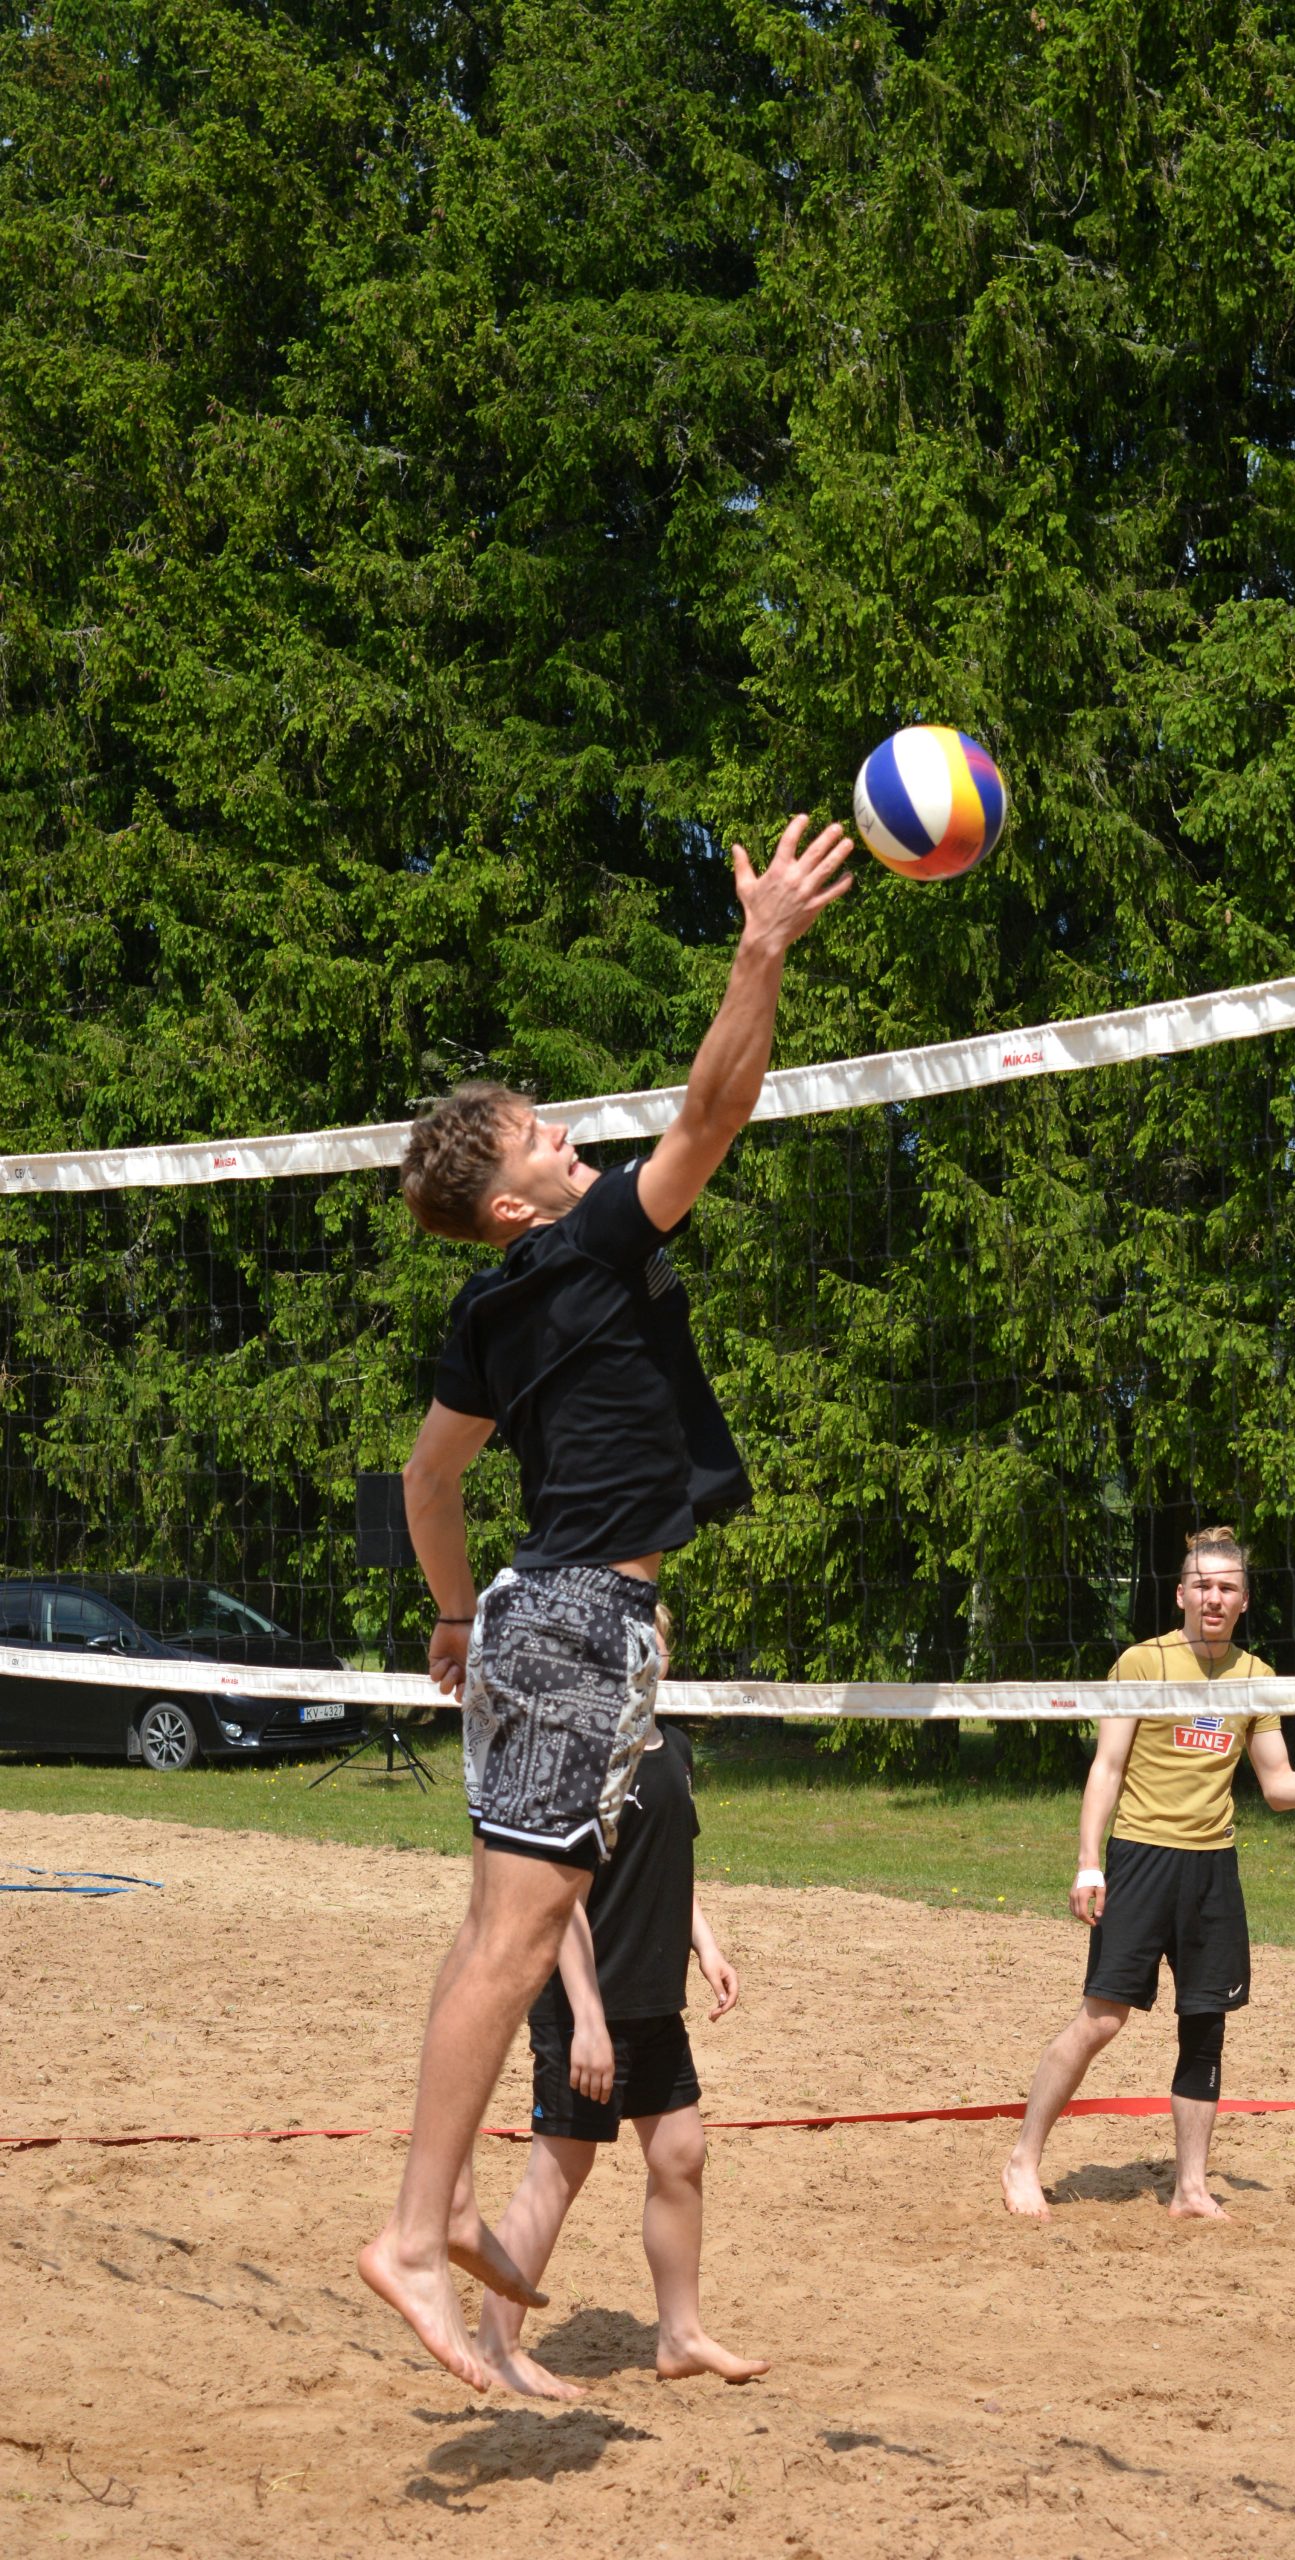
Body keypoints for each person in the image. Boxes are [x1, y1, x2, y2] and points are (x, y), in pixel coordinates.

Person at [359, 812, 853, 2388]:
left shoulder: (489, 1306)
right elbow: (714, 1109)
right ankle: (411, 2232)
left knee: (494, 1937)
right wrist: (760, 947)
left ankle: (428, 2219)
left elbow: (427, 1486)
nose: (568, 1139)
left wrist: (454, 1620)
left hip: (532, 1615)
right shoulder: (575, 1249)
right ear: (516, 1207)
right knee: (514, 1948)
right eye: (540, 1141)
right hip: (577, 1618)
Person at [1001, 1527, 1295, 2224]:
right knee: (1101, 2020)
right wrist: (1088, 1862)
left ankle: (1191, 2189)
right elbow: (1106, 1768)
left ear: (1244, 1601)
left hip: (1213, 1869)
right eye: (1202, 1585)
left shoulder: (1256, 1677)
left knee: (1205, 2026)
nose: (1213, 1597)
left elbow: (1276, 1786)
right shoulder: (1142, 1663)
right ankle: (1023, 2160)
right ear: (1180, 1593)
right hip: (1141, 1858)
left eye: (1226, 1587)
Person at [477, 1607, 767, 2397]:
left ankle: (680, 2336)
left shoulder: (672, 1747)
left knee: (680, 2156)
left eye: (658, 1644)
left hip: (652, 1997)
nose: (651, 1657)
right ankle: (497, 2344)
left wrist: (706, 1946)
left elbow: (671, 1866)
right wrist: (587, 2022)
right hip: (582, 2006)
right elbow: (559, 1900)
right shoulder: (578, 1754)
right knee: (558, 2170)